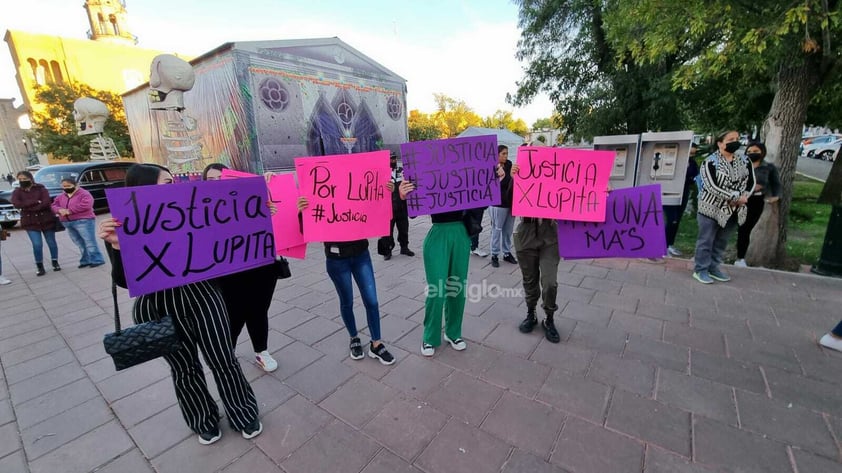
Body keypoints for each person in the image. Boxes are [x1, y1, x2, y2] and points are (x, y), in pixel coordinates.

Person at [98, 163, 262, 445]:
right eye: (166, 182)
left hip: (202, 296)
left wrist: (259, 217)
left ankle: (243, 412)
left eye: (174, 181)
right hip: (158, 306)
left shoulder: (192, 212)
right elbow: (125, 281)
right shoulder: (123, 225)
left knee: (223, 358)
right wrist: (117, 246)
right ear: (143, 187)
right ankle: (203, 420)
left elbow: (226, 243)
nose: (174, 187)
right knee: (184, 368)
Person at [297, 189, 396, 365]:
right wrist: (301, 212)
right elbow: (307, 231)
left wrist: (386, 191)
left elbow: (376, 209)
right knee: (346, 301)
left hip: (360, 255)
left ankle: (376, 343)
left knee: (371, 301)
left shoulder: (355, 187)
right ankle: (354, 338)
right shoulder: (317, 192)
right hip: (336, 260)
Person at [203, 163, 279, 372]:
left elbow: (279, 225)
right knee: (233, 314)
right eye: (211, 180)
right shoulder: (203, 210)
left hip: (261, 269)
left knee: (258, 311)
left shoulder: (251, 201)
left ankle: (261, 351)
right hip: (228, 273)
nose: (217, 183)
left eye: (222, 178)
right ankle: (228, 352)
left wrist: (270, 187)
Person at [399, 180, 470, 356]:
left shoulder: (465, 163)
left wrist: (497, 178)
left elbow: (484, 197)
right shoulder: (430, 165)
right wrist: (403, 195)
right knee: (436, 291)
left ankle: (453, 332)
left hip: (461, 233)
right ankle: (429, 336)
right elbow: (413, 212)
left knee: (458, 288)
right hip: (438, 233)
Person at [692, 130, 755, 284]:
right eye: (730, 139)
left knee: (721, 240)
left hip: (733, 209)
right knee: (706, 240)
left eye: (737, 138)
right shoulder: (711, 161)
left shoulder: (744, 161)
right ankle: (701, 269)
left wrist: (744, 197)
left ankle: (713, 268)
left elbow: (751, 181)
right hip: (711, 208)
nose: (735, 141)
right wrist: (734, 197)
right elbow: (711, 185)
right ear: (720, 143)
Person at [508, 163, 562, 342]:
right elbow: (506, 200)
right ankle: (531, 313)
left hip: (550, 234)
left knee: (550, 282)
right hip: (526, 233)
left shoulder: (559, 176)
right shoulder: (520, 174)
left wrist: (601, 192)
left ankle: (549, 318)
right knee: (529, 280)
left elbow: (578, 197)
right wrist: (512, 180)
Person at [734, 142, 781, 267]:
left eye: (755, 151)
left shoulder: (769, 167)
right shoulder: (741, 165)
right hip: (738, 199)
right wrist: (750, 187)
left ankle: (740, 258)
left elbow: (775, 183)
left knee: (745, 229)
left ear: (762, 152)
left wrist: (775, 196)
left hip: (756, 201)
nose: (752, 154)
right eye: (749, 151)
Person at [11, 170, 60, 276]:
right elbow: (17, 204)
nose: (22, 181)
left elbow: (46, 202)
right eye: (20, 179)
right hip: (30, 221)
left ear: (31, 178)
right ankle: (39, 265)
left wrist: (29, 206)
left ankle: (55, 262)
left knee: (51, 242)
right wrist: (35, 202)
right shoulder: (17, 191)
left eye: (25, 179)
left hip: (46, 219)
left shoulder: (41, 188)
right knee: (37, 244)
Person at [51, 178, 105, 269]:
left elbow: (86, 205)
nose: (66, 188)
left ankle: (97, 259)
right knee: (79, 242)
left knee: (89, 241)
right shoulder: (61, 196)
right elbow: (53, 205)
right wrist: (59, 210)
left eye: (68, 186)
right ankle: (86, 260)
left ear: (76, 185)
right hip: (67, 222)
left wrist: (70, 211)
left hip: (83, 221)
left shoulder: (84, 194)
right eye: (64, 186)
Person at [664, 143, 700, 257]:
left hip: (683, 191)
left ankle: (670, 244)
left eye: (693, 153)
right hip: (670, 191)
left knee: (677, 220)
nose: (691, 155)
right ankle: (663, 246)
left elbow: (694, 176)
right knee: (671, 219)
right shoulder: (674, 161)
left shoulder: (693, 163)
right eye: (690, 153)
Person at [490, 145, 517, 268]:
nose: (506, 156)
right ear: (497, 155)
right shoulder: (492, 167)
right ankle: (494, 254)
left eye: (507, 153)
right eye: (503, 154)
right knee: (497, 229)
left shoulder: (510, 165)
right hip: (498, 204)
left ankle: (506, 253)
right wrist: (508, 177)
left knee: (508, 230)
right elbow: (496, 186)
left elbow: (515, 182)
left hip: (511, 203)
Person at [384, 153, 414, 260]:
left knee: (403, 228)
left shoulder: (402, 171)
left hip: (401, 206)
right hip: (388, 208)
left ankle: (404, 247)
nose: (393, 161)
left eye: (394, 158)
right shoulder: (383, 172)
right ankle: (387, 250)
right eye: (390, 159)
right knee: (387, 231)